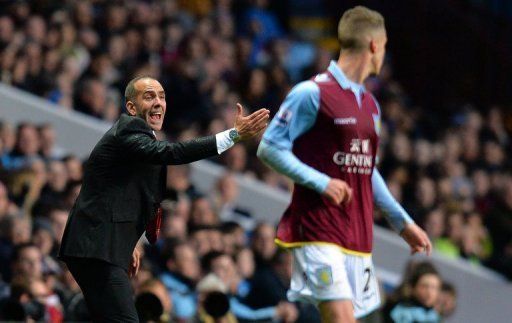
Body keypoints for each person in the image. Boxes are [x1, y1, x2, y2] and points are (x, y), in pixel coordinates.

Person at [257, 6, 431, 323]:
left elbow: (367, 172)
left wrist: (402, 222)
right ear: (375, 45)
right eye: (385, 45)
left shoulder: (371, 105)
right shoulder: (311, 92)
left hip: (357, 231)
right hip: (318, 227)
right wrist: (322, 182)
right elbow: (269, 148)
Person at [58, 75, 269, 322]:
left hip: (102, 246)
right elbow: (171, 152)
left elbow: (120, 193)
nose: (158, 102)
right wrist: (231, 136)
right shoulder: (129, 130)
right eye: (149, 96)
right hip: (96, 248)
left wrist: (129, 243)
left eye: (162, 96)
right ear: (131, 107)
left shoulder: (136, 137)